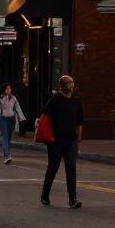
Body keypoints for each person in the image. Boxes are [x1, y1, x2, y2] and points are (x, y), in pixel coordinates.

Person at [39, 75, 84, 209]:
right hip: (55, 141)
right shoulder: (54, 101)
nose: (70, 85)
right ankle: (45, 194)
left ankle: (72, 199)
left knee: (71, 169)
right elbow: (44, 117)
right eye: (68, 83)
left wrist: (79, 136)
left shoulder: (76, 102)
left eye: (71, 83)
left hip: (71, 141)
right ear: (62, 86)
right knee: (53, 168)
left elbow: (79, 121)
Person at [0, 83, 25, 164]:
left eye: (10, 89)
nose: (9, 90)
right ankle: (7, 156)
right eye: (7, 89)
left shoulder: (13, 99)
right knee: (4, 136)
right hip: (3, 119)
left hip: (11, 119)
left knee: (9, 137)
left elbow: (18, 108)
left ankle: (6, 151)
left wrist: (20, 117)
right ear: (4, 90)